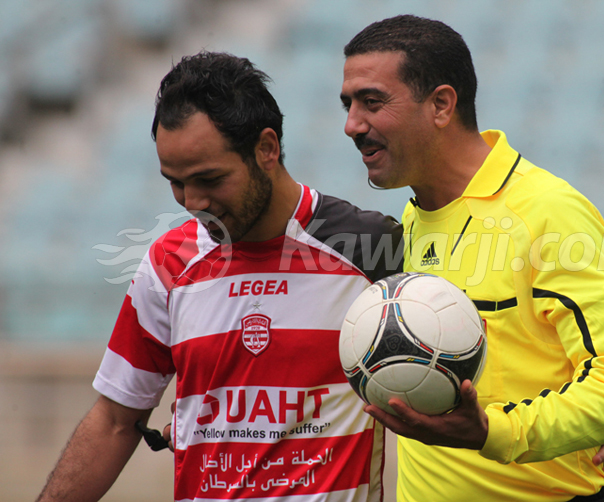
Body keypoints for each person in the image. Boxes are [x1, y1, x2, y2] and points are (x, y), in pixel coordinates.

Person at [37, 51, 403, 502]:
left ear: (267, 149)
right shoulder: (168, 262)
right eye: (176, 182)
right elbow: (114, 420)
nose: (193, 201)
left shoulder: (371, 249)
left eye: (209, 179)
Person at [339, 15, 604, 502]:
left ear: (441, 104)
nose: (352, 125)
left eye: (372, 102)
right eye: (348, 104)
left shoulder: (549, 213)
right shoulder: (414, 215)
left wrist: (492, 432)